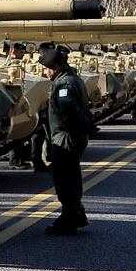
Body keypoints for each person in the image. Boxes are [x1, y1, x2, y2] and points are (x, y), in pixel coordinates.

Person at [37, 45, 94, 235]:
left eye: (47, 69)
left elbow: (68, 109)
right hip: (69, 136)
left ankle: (69, 219)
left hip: (65, 137)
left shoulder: (64, 84)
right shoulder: (70, 78)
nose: (45, 73)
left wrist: (73, 128)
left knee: (65, 180)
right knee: (70, 177)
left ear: (56, 67)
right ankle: (77, 214)